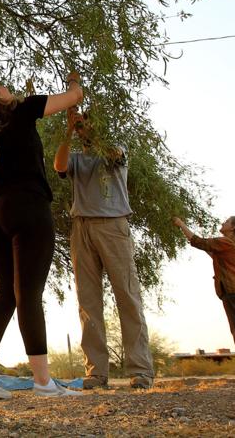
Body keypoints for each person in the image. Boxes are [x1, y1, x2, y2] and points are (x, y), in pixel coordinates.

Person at [0, 73, 84, 399]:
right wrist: (75, 83)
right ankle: (44, 383)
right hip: (29, 208)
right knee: (28, 294)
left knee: (6, 294)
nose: (6, 87)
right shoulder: (25, 109)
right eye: (0, 86)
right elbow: (74, 97)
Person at [52, 110, 155, 390]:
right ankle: (96, 372)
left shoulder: (116, 149)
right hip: (81, 226)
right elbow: (59, 166)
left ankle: (141, 370)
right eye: (81, 123)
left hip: (113, 225)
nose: (84, 127)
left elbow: (113, 151)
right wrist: (69, 132)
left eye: (88, 123)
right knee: (88, 302)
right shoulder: (76, 157)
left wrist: (90, 133)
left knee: (128, 296)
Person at [172, 216, 235, 381]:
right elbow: (215, 254)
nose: (222, 223)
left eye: (226, 222)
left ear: (233, 227)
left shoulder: (226, 242)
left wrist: (181, 224)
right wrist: (204, 246)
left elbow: (198, 241)